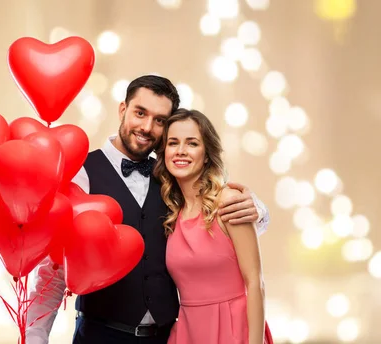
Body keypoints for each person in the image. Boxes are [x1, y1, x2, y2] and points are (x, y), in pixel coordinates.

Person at [25, 75, 270, 344]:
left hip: (167, 337)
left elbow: (216, 217)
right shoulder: (82, 174)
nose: (146, 127)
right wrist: (35, 335)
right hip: (100, 335)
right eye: (140, 113)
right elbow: (55, 269)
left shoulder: (173, 178)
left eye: (160, 120)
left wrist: (256, 207)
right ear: (123, 110)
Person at [154, 108, 273, 343]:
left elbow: (255, 282)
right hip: (188, 332)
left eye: (192, 143)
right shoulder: (170, 212)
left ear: (207, 154)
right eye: (173, 143)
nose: (181, 151)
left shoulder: (229, 201)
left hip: (234, 330)